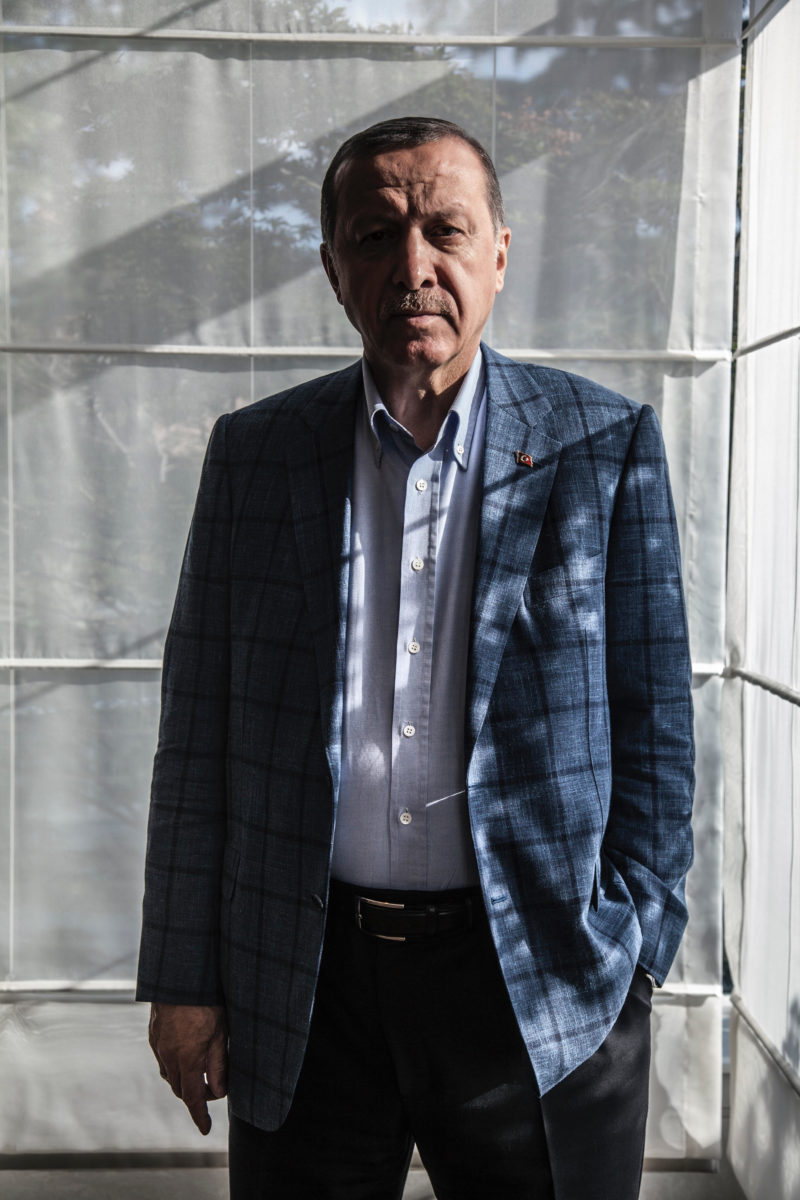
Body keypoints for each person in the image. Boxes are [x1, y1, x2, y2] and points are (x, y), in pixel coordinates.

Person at [137, 116, 694, 1200]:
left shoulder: (601, 442)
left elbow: (656, 721)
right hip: (307, 982)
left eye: (445, 230)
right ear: (332, 269)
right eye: (375, 235)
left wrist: (633, 947)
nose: (413, 266)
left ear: (499, 252)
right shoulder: (256, 454)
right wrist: (183, 977)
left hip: (538, 974)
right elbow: (196, 733)